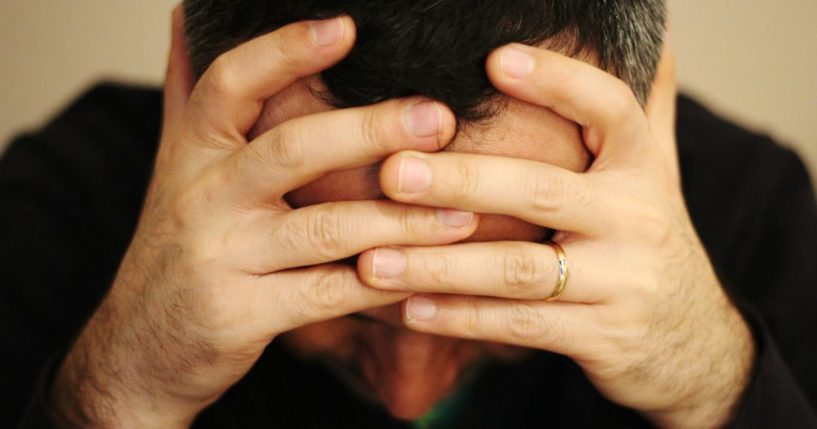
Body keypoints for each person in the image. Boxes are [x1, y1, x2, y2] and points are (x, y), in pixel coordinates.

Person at [2, 1, 816, 427]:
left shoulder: (754, 213)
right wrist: (115, 399)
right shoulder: (56, 210)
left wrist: (722, 389)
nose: (406, 390)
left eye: (511, 275)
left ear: (643, 90)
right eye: (325, 264)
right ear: (193, 79)